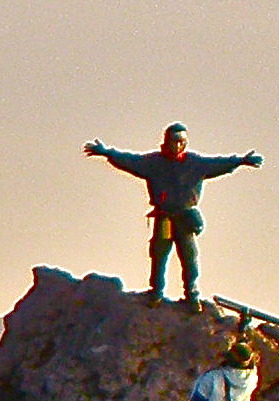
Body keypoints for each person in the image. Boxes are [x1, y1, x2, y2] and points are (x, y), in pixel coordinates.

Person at [86, 123, 263, 308]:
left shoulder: (195, 164)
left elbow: (219, 163)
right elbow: (130, 160)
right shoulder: (153, 163)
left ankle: (192, 297)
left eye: (181, 142)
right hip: (164, 217)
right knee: (159, 254)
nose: (177, 146)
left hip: (185, 219)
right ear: (166, 141)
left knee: (189, 257)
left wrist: (240, 161)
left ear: (185, 143)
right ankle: (156, 293)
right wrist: (108, 153)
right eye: (173, 141)